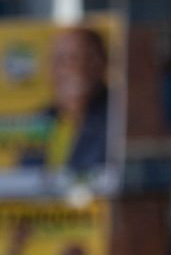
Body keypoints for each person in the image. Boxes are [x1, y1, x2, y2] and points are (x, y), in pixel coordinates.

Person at [21, 24, 113, 183]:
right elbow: (23, 179)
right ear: (50, 70)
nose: (74, 68)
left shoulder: (116, 117)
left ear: (103, 64)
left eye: (85, 57)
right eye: (62, 60)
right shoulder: (40, 121)